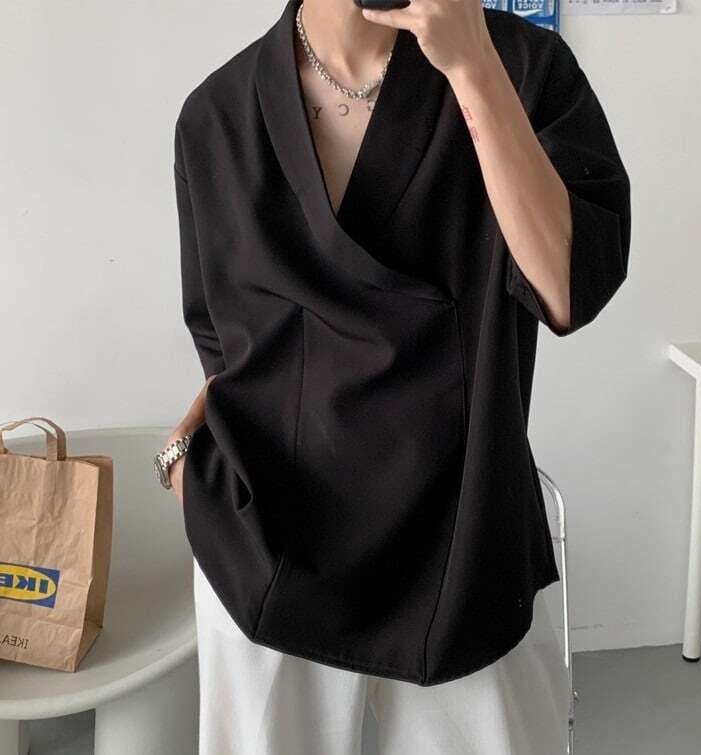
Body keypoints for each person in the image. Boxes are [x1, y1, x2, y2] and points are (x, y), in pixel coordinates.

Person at [156, 0, 630, 752]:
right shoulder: (219, 115)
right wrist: (185, 464)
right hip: (268, 541)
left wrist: (472, 67)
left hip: (465, 537)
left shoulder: (523, 67)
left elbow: (570, 289)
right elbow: (223, 343)